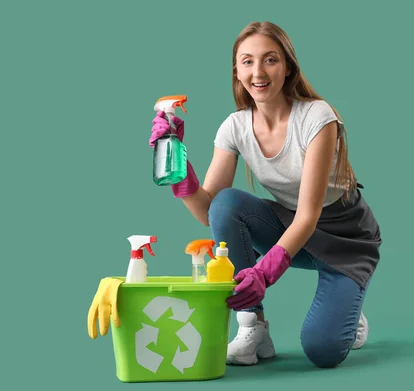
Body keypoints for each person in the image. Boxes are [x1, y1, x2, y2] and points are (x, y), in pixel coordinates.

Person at [150, 21, 382, 369]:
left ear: (287, 67)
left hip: (345, 241)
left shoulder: (318, 117)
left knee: (322, 351)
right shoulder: (235, 126)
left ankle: (349, 308)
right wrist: (177, 168)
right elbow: (210, 212)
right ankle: (252, 326)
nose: (258, 72)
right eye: (247, 61)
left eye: (270, 60)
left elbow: (309, 214)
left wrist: (265, 272)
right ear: (237, 70)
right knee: (226, 203)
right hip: (292, 230)